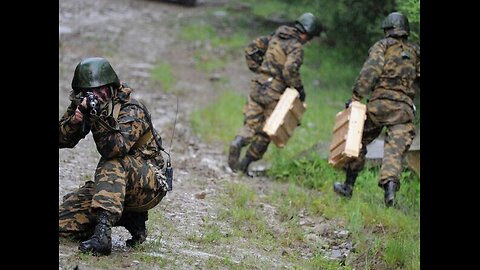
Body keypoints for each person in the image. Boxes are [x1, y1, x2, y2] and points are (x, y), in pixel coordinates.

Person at [59, 57, 169, 256]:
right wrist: (75, 121)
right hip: (116, 185)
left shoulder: (132, 109)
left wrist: (96, 119)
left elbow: (114, 149)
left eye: (101, 90)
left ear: (112, 87)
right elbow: (62, 139)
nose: (97, 96)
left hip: (148, 184)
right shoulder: (85, 104)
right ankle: (126, 217)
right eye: (90, 91)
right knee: (62, 224)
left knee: (112, 161)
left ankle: (102, 235)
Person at [333, 12, 420, 207]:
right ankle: (390, 193)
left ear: (388, 29)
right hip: (402, 110)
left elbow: (370, 71)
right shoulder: (415, 52)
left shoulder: (383, 46)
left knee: (358, 140)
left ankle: (348, 186)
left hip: (378, 106)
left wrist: (356, 96)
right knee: (394, 151)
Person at [227, 12, 321, 176]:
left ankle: (238, 142)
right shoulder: (296, 47)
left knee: (250, 125)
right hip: (275, 93)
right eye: (310, 37)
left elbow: (251, 49)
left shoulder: (276, 36)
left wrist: (260, 70)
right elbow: (289, 70)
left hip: (258, 86)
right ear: (305, 33)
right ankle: (244, 165)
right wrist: (300, 90)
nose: (308, 41)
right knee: (266, 131)